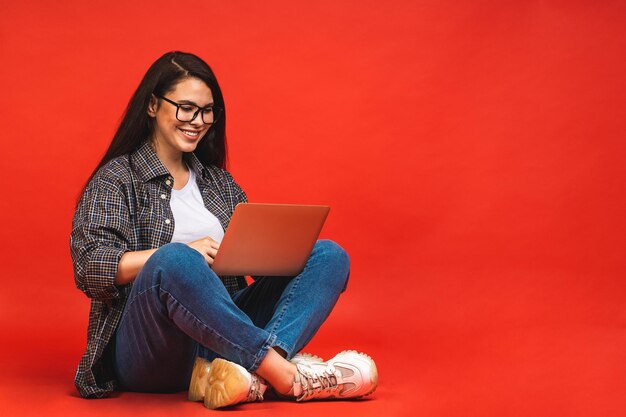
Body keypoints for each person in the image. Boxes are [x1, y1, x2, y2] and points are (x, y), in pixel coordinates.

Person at [70, 51, 378, 409]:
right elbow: (90, 267)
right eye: (186, 108)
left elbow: (250, 262)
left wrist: (276, 253)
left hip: (222, 339)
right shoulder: (117, 178)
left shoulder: (218, 183)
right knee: (176, 260)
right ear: (153, 105)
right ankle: (286, 376)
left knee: (328, 255)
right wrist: (183, 256)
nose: (197, 121)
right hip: (152, 351)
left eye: (207, 111)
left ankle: (251, 377)